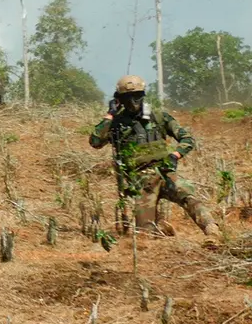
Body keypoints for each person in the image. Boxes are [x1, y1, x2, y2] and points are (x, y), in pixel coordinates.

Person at [89, 74, 221, 246]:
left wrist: (175, 155)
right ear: (119, 99)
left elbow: (187, 139)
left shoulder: (159, 117)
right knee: (145, 236)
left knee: (189, 198)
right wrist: (110, 115)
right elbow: (95, 142)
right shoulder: (117, 123)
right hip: (141, 182)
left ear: (143, 95)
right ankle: (161, 228)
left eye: (136, 96)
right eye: (127, 97)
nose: (133, 101)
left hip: (165, 173)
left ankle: (213, 233)